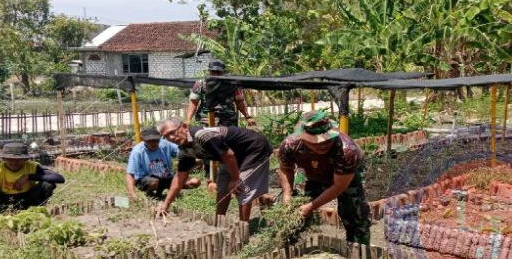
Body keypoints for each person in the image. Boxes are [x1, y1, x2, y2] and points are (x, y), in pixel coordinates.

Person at [277, 110, 371, 245]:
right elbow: (285, 168)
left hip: (346, 178)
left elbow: (339, 185)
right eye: (317, 142)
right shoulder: (290, 145)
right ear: (303, 138)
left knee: (356, 214)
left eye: (328, 139)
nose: (323, 144)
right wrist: (288, 194)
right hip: (313, 176)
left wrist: (311, 206)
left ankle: (358, 251)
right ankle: (286, 245)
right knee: (294, 209)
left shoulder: (348, 151)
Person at [157, 117, 272, 222]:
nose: (171, 138)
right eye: (166, 136)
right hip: (231, 155)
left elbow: (229, 155)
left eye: (173, 132)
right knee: (222, 187)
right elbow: (180, 177)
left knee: (242, 188)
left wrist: (236, 179)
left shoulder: (202, 136)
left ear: (184, 127)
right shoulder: (184, 150)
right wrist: (166, 204)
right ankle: (219, 222)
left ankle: (243, 229)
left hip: (253, 148)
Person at [125, 127, 200, 200]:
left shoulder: (165, 144)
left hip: (166, 177)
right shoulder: (137, 151)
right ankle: (150, 194)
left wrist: (195, 158)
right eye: (149, 141)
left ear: (160, 137)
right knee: (154, 182)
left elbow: (183, 151)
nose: (153, 143)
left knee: (195, 182)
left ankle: (170, 190)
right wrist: (132, 194)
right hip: (146, 180)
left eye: (156, 140)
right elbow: (130, 174)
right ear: (143, 139)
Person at [185, 60, 256, 128]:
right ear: (209, 72)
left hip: (227, 120)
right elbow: (193, 102)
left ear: (223, 72)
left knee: (228, 139)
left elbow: (239, 101)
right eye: (213, 72)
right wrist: (188, 120)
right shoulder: (200, 83)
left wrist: (248, 117)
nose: (216, 74)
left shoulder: (232, 84)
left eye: (218, 72)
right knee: (207, 138)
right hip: (206, 119)